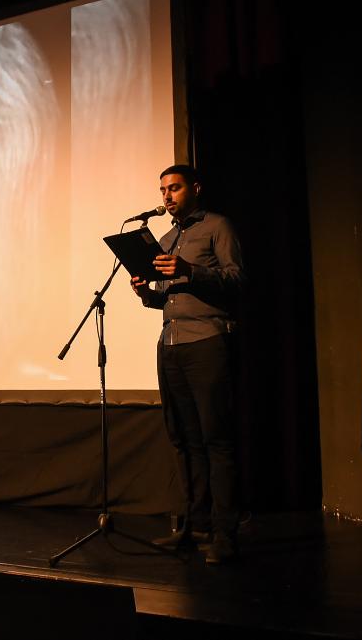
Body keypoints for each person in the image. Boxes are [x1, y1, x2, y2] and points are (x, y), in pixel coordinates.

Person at [129, 164, 245, 564]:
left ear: (194, 187)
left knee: (216, 440)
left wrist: (190, 271)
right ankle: (195, 527)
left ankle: (226, 533)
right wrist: (146, 291)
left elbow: (236, 281)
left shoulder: (217, 226)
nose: (166, 196)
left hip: (208, 341)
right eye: (162, 189)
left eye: (174, 188)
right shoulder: (164, 238)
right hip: (171, 345)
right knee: (184, 439)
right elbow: (164, 297)